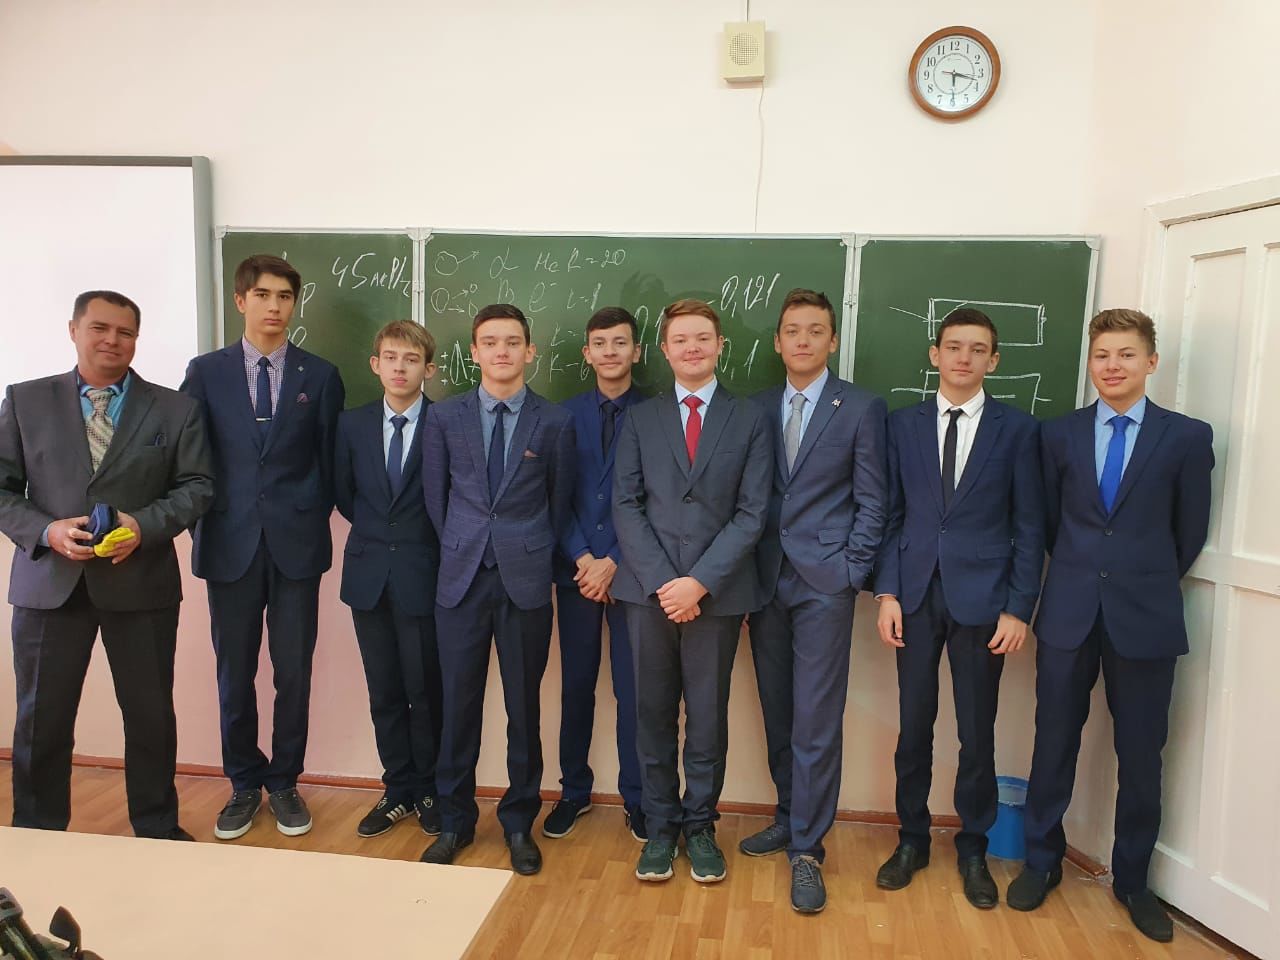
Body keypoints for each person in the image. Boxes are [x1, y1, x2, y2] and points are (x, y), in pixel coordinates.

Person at [1008, 309, 1213, 943]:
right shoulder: (1058, 435)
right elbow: (1045, 523)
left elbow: (1189, 533)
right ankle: (1042, 862)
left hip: (1145, 618)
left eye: (1126, 354)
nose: (1113, 366)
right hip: (1069, 613)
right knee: (1053, 742)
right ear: (1090, 363)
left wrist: (1135, 577)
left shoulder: (1186, 437)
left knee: (1142, 754)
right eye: (1102, 355)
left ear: (1151, 362)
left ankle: (1133, 881)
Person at [0, 290, 214, 840]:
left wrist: (143, 526)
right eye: (99, 328)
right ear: (73, 329)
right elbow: (3, 490)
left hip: (140, 584)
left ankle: (157, 827)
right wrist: (46, 531)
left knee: (150, 715)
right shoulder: (25, 400)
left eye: (125, 332)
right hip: (50, 584)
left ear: (136, 340)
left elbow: (197, 487)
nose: (112, 341)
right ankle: (37, 832)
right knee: (41, 718)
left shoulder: (175, 408)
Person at [872, 307, 1045, 909]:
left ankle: (973, 847)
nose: (963, 358)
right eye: (953, 347)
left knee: (976, 732)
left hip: (985, 602)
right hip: (915, 596)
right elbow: (891, 515)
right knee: (913, 726)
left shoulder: (1018, 430)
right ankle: (911, 840)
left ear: (992, 360)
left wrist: (1018, 608)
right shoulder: (902, 425)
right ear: (935, 355)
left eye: (976, 349)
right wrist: (887, 593)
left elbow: (1030, 526)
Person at [181, 254, 345, 840]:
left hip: (296, 546)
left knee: (293, 672)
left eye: (284, 297)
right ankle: (244, 782)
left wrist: (302, 517)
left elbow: (329, 462)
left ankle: (284, 782)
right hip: (229, 544)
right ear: (240, 300)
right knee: (235, 673)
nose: (275, 307)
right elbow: (191, 459)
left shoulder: (319, 375)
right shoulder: (205, 372)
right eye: (263, 295)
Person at [612, 298, 771, 885]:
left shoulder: (749, 417)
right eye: (680, 339)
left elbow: (752, 513)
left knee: (706, 717)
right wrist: (665, 583)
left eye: (703, 337)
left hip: (717, 594)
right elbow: (626, 503)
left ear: (720, 345)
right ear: (665, 349)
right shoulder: (641, 419)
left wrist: (699, 583)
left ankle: (700, 827)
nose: (692, 348)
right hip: (648, 594)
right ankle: (660, 828)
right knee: (652, 714)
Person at [741, 289, 887, 913]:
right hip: (763, 579)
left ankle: (808, 849)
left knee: (816, 719)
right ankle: (787, 816)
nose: (803, 340)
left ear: (832, 340)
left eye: (815, 330)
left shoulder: (860, 406)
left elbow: (874, 498)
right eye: (793, 331)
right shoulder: (753, 408)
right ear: (778, 342)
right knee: (777, 710)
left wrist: (851, 570)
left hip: (826, 583)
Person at [419, 304, 576, 876]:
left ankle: (517, 823)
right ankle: (455, 821)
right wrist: (467, 543)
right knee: (456, 706)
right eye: (490, 342)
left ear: (529, 351)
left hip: (524, 582)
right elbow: (436, 499)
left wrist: (524, 548)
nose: (502, 351)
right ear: (475, 352)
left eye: (512, 342)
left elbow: (559, 501)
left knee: (522, 708)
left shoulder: (554, 421)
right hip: (460, 581)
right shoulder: (446, 417)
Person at [334, 320, 443, 839]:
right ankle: (397, 788)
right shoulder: (351, 425)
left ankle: (430, 789)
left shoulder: (445, 423)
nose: (401, 367)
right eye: (391, 357)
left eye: (412, 359)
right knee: (384, 691)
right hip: (368, 575)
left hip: (424, 575)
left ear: (429, 369)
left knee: (425, 691)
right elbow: (344, 493)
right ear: (375, 364)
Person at [544, 307, 646, 842]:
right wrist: (584, 557)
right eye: (600, 343)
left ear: (636, 351)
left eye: (620, 342)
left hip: (635, 575)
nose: (610, 352)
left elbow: (661, 501)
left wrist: (617, 561)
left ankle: (639, 798)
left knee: (635, 692)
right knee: (577, 686)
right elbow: (553, 496)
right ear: (586, 354)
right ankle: (573, 792)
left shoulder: (658, 414)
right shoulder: (561, 415)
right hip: (577, 574)